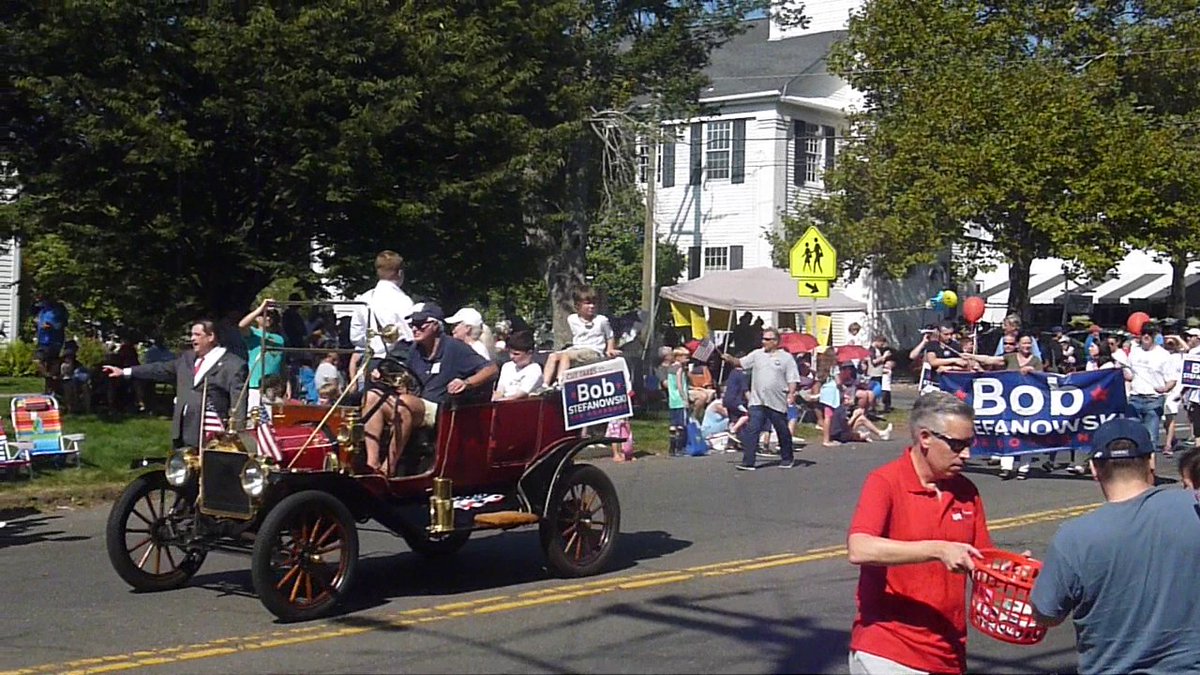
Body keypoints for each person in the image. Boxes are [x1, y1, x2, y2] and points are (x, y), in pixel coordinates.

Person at [1030, 418, 1200, 675]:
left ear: (1094, 469)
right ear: (1151, 462)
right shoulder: (1193, 509)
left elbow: (1047, 614)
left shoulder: (1073, 537)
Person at [846, 392, 993, 675]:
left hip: (947, 651)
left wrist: (1009, 571)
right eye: (957, 445)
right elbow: (859, 548)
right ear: (925, 437)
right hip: (889, 650)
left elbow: (982, 561)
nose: (967, 454)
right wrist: (938, 549)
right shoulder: (885, 481)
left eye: (970, 443)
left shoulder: (966, 491)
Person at [361, 304, 497, 476]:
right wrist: (383, 376)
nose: (414, 329)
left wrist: (466, 382)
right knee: (373, 396)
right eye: (412, 325)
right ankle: (371, 464)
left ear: (435, 325)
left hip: (440, 408)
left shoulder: (454, 347)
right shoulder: (414, 350)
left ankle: (389, 467)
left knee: (405, 402)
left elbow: (491, 369)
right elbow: (406, 378)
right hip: (414, 403)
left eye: (420, 324)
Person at [102, 320, 247, 448]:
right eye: (191, 334)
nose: (192, 339)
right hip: (182, 429)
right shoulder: (187, 358)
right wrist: (125, 372)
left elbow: (238, 401)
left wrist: (235, 433)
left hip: (211, 432)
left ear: (211, 337)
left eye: (197, 335)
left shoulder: (233, 365)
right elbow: (159, 369)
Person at [721, 326, 801, 470]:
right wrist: (730, 358)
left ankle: (787, 457)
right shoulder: (757, 354)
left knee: (782, 429)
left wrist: (791, 394)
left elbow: (792, 378)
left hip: (776, 400)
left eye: (767, 339)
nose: (763, 342)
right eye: (763, 339)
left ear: (776, 341)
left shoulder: (786, 358)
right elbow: (741, 363)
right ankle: (748, 461)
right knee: (753, 429)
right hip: (757, 400)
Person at [349, 250, 415, 385]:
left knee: (371, 402)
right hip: (396, 363)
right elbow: (410, 336)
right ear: (400, 273)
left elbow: (355, 337)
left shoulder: (365, 298)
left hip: (371, 361)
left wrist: (374, 343)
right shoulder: (404, 301)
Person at [540, 286, 620, 389]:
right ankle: (545, 385)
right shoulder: (572, 319)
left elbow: (610, 336)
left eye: (594, 303)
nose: (592, 306)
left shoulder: (601, 320)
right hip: (577, 348)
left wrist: (610, 349)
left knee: (566, 356)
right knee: (553, 356)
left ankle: (560, 383)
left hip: (593, 350)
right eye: (587, 303)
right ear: (578, 305)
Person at [1126, 323, 1177, 449]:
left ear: (1155, 336)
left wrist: (1165, 389)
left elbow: (1172, 379)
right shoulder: (1134, 352)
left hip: (1153, 400)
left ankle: (1150, 468)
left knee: (1150, 439)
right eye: (1144, 333)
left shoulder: (1163, 355)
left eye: (1150, 333)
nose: (1146, 336)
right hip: (1135, 399)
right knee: (1132, 438)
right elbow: (1129, 374)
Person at [239, 299, 286, 408]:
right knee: (255, 417)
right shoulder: (253, 333)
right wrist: (261, 308)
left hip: (275, 386)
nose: (268, 318)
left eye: (270, 315)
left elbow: (282, 364)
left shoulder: (279, 339)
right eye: (264, 315)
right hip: (256, 385)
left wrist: (286, 384)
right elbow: (242, 325)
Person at [32, 294, 69, 396]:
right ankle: (49, 386)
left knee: (42, 361)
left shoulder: (56, 311)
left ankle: (51, 384)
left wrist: (49, 326)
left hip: (52, 342)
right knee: (45, 364)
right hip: (43, 341)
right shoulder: (43, 310)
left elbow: (57, 325)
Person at [492, 331, 542, 401]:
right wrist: (496, 398)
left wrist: (500, 400)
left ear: (529, 353)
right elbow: (500, 390)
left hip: (523, 404)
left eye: (516, 354)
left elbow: (520, 395)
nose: (511, 357)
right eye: (510, 353)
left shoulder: (534, 369)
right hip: (503, 403)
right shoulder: (507, 366)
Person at [665, 347, 690, 457]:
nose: (688, 359)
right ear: (679, 357)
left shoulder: (670, 368)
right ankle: (680, 448)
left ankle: (672, 447)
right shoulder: (679, 369)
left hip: (672, 399)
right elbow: (680, 385)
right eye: (686, 357)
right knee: (681, 424)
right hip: (679, 399)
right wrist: (685, 398)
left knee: (673, 424)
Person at [1181, 327, 1200, 440]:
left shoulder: (1194, 352)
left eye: (1191, 336)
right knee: (1198, 429)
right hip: (1195, 396)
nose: (1188, 338)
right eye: (1187, 336)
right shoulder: (1191, 352)